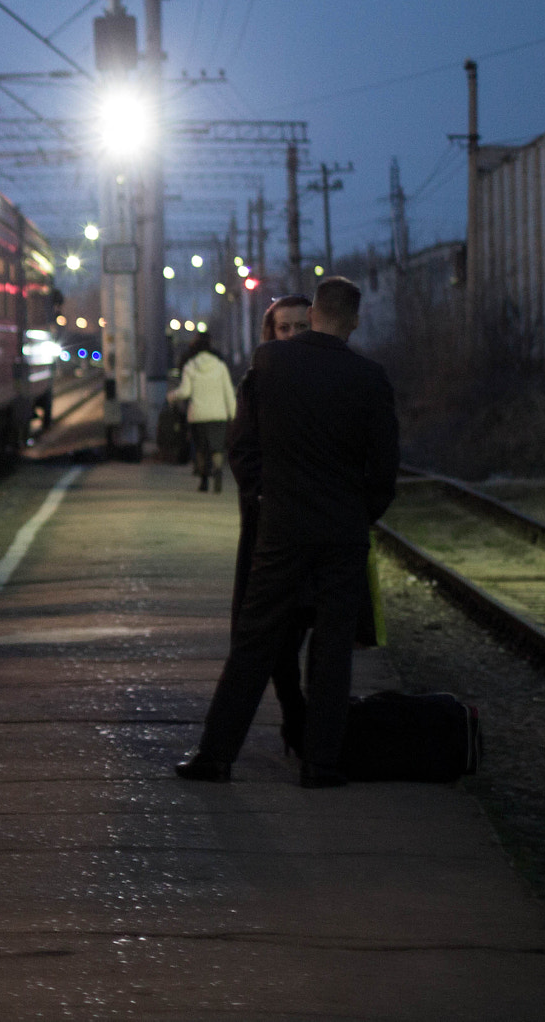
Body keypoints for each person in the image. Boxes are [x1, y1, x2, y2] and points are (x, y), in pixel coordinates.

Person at [176, 276, 398, 788]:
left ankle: (216, 756)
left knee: (254, 643)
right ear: (356, 321)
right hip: (343, 534)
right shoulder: (370, 377)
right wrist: (358, 515)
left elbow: (245, 443)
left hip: (281, 530)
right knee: (332, 648)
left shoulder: (270, 364)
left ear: (315, 314)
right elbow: (384, 471)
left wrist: (267, 500)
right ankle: (322, 763)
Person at [230, 294, 312, 755]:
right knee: (272, 633)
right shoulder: (257, 383)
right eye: (285, 328)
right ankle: (294, 711)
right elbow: (242, 451)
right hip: (271, 527)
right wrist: (263, 497)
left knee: (306, 625)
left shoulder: (332, 377)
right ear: (271, 333)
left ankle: (308, 724)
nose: (294, 336)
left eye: (302, 327)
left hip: (318, 527)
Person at [170, 332, 237, 492]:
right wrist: (233, 415)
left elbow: (185, 392)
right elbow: (228, 392)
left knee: (201, 448)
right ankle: (218, 471)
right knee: (217, 448)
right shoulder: (220, 366)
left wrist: (172, 396)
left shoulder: (190, 366)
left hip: (197, 415)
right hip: (218, 415)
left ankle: (204, 480)